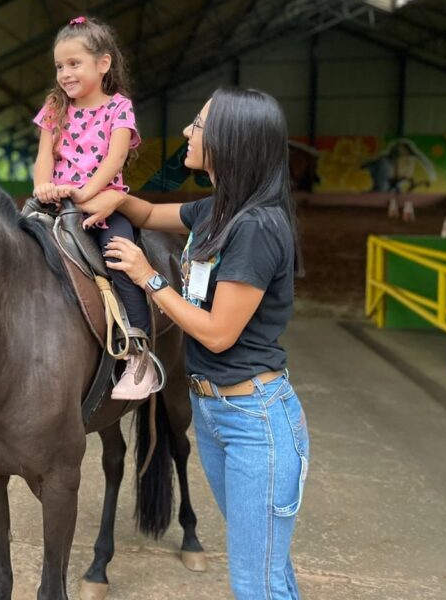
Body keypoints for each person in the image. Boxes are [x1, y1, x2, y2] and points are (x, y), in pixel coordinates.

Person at [79, 86, 310, 599]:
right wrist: (115, 197)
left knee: (257, 583)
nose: (186, 132)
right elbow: (146, 215)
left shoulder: (255, 227)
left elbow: (217, 332)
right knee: (267, 570)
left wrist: (148, 278)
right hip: (217, 413)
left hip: (255, 420)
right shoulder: (217, 211)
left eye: (198, 125)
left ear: (230, 140)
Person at [31, 14, 159, 399]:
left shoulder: (118, 108)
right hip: (56, 201)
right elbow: (43, 157)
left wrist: (85, 193)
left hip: (102, 203)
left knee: (120, 259)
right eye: (59, 66)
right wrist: (42, 186)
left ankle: (139, 355)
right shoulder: (55, 108)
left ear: (103, 64)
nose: (65, 74)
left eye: (74, 64)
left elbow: (114, 159)